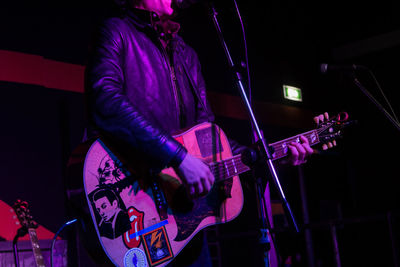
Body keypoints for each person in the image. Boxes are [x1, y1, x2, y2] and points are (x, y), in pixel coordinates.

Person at [73, 0, 329, 266]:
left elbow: (210, 138)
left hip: (184, 228)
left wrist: (271, 158)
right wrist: (178, 158)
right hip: (139, 207)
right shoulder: (117, 31)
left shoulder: (186, 53)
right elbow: (105, 101)